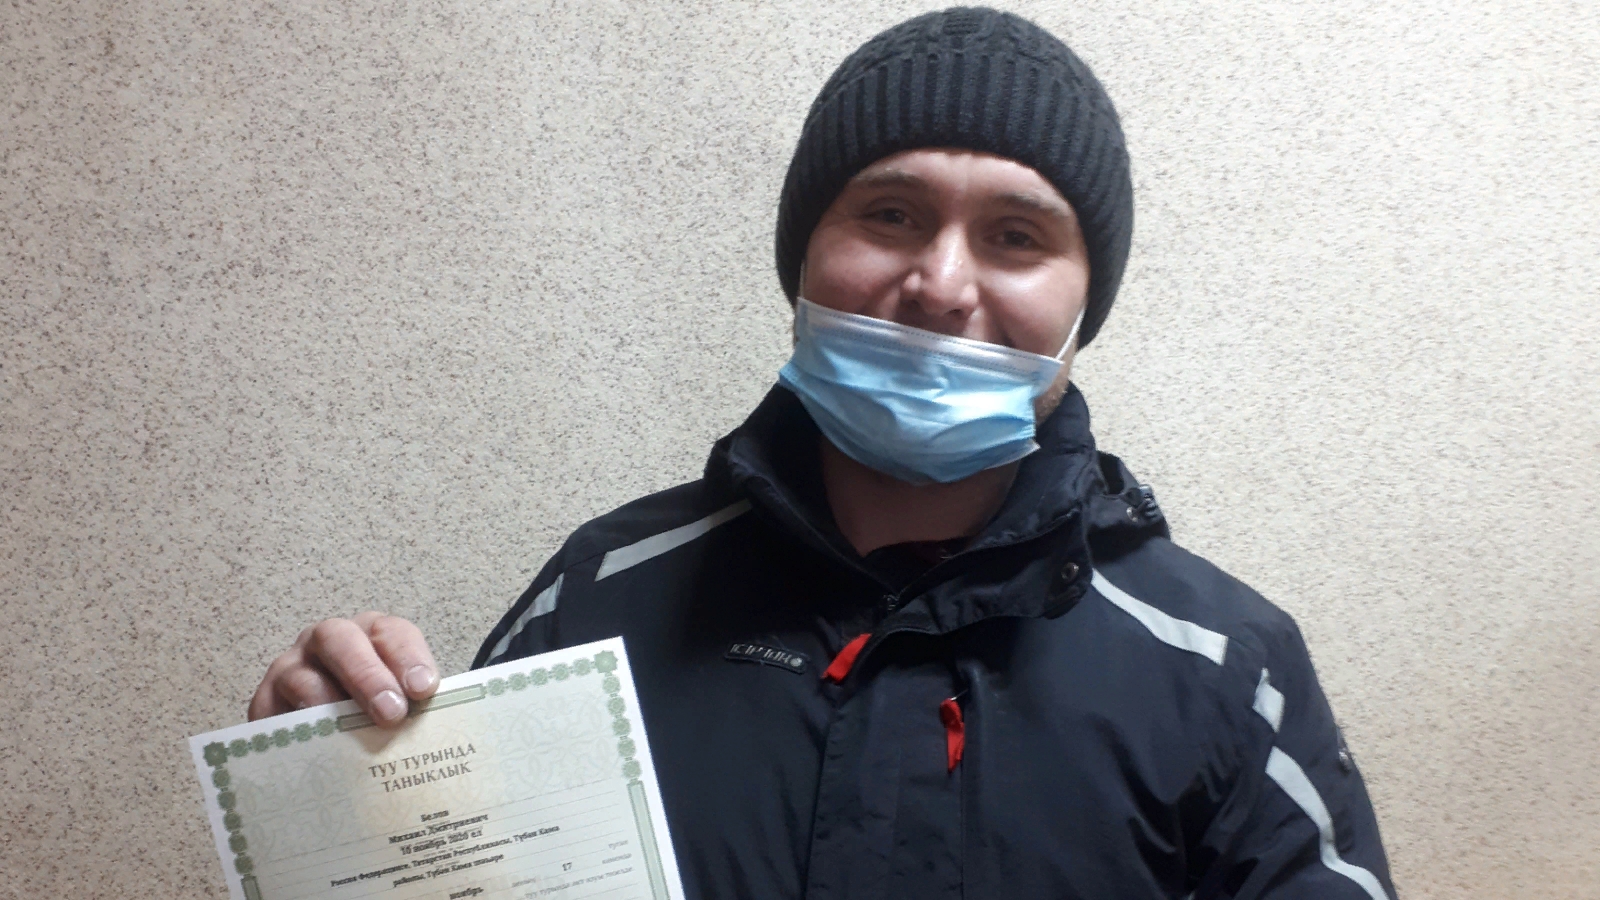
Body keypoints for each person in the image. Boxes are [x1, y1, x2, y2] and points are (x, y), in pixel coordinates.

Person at [249, 7, 1396, 898]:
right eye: (890, 214)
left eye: (1015, 236)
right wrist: (333, 789)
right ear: (804, 259)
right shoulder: (601, 596)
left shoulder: (1225, 668)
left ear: (1082, 306)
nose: (940, 283)